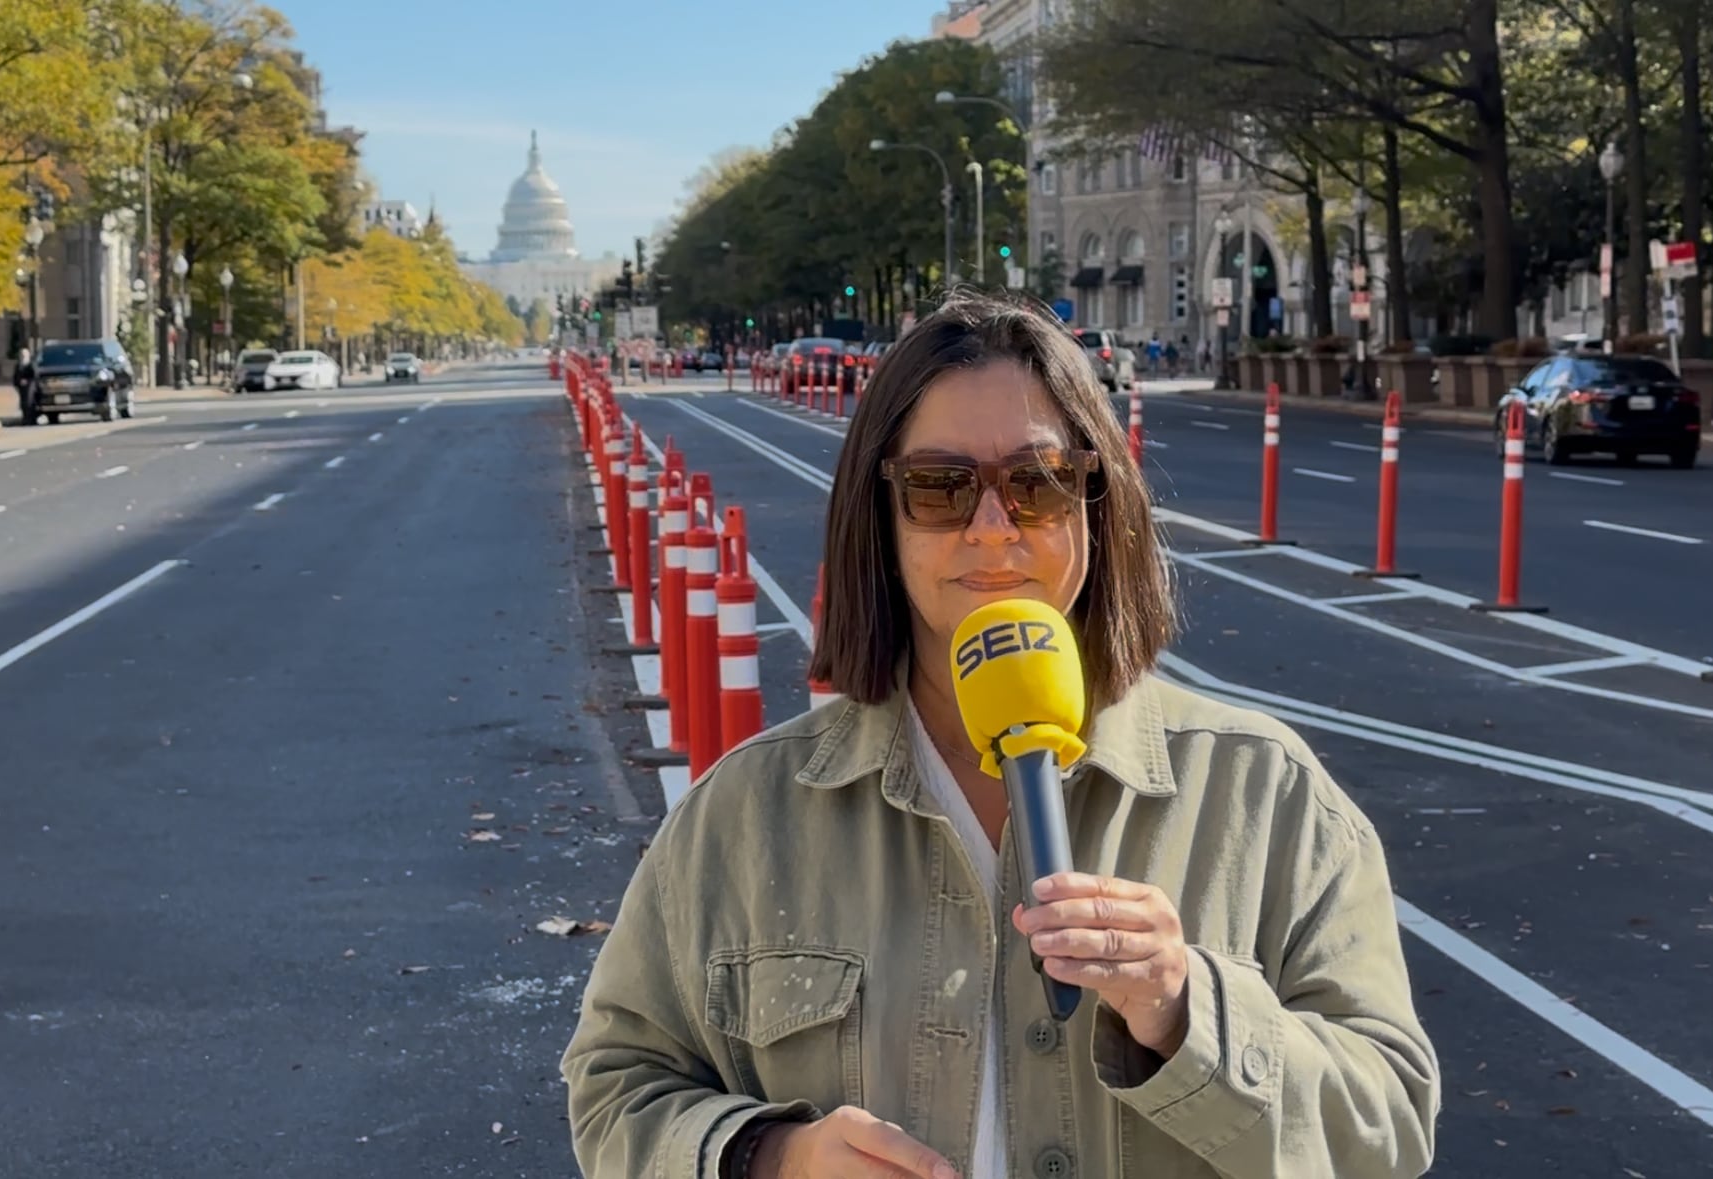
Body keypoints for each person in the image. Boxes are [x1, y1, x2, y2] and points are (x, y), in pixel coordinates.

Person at [561, 290, 1438, 1179]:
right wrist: (769, 1157)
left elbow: (1390, 1130)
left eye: (1037, 481)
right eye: (940, 488)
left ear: (1097, 501)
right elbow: (614, 1089)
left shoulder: (1263, 792)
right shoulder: (744, 815)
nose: (992, 530)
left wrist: (1185, 1012)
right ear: (883, 517)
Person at [13, 346, 36, 421]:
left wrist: (27, 381)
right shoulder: (18, 365)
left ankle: (30, 418)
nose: (23, 356)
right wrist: (18, 382)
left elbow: (34, 376)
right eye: (21, 355)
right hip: (21, 387)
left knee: (29, 402)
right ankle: (25, 418)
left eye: (24, 355)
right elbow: (15, 376)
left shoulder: (31, 365)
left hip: (30, 387)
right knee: (23, 403)